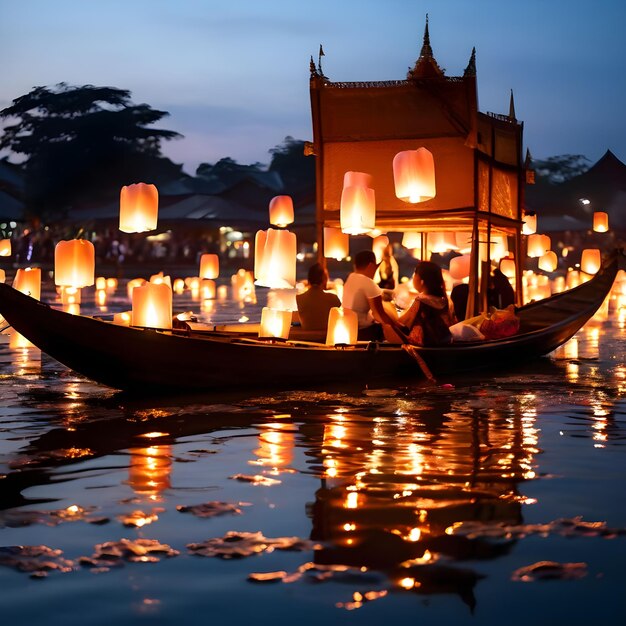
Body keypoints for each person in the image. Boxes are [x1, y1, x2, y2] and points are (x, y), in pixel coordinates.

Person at [384, 260, 454, 346]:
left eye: (414, 275)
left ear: (422, 281)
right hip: (442, 344)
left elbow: (403, 322)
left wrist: (388, 311)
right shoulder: (444, 300)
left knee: (387, 326)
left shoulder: (421, 300)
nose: (413, 278)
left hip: (422, 346)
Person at [342, 250, 406, 341]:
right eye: (376, 267)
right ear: (371, 266)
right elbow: (379, 315)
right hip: (362, 331)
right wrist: (399, 327)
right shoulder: (368, 282)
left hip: (347, 327)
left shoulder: (350, 278)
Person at [296, 263, 341, 331]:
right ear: (324, 279)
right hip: (326, 340)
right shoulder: (334, 299)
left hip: (306, 340)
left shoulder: (299, 298)